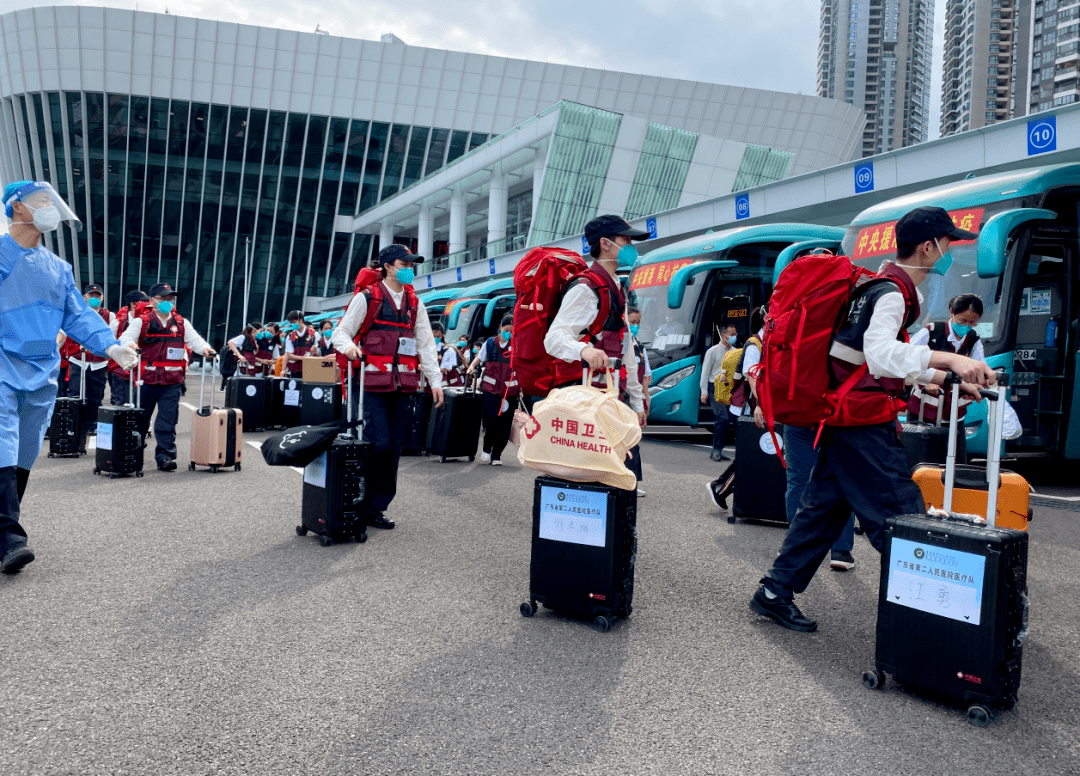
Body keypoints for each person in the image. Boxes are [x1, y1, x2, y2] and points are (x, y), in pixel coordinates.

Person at [751, 206, 997, 632]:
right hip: (861, 421)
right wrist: (950, 360)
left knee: (822, 512)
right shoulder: (891, 293)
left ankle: (774, 591)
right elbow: (881, 355)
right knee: (898, 513)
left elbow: (863, 356)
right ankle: (933, 619)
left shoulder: (876, 286)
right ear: (928, 247)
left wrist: (934, 376)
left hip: (845, 416)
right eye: (948, 244)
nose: (949, 252)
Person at [0, 179, 138, 573]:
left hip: (42, 372)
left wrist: (111, 346)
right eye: (42, 201)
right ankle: (11, 537)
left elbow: (77, 314)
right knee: (3, 448)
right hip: (3, 367)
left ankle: (5, 529)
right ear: (18, 207)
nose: (50, 208)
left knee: (24, 455)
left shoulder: (59, 269)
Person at [332, 244, 444, 530]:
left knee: (394, 447)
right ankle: (359, 500)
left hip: (402, 386)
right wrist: (350, 348)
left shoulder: (416, 304)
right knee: (377, 444)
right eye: (403, 264)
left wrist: (435, 381)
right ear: (387, 266)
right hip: (370, 384)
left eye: (411, 265)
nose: (409, 269)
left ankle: (376, 508)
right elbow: (340, 332)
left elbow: (426, 345)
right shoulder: (367, 297)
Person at [542, 214, 648, 429]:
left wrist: (637, 403)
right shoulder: (585, 289)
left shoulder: (617, 288)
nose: (630, 247)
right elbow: (553, 339)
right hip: (582, 400)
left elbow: (626, 347)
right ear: (605, 243)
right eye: (625, 240)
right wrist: (583, 351)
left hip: (610, 397)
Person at [120, 282, 216, 471]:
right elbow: (125, 338)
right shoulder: (143, 321)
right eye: (163, 298)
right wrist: (131, 346)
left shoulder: (180, 322)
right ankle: (133, 452)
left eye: (170, 299)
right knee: (140, 419)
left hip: (172, 381)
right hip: (146, 379)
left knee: (167, 420)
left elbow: (194, 340)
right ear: (152, 301)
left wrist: (205, 349)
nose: (167, 302)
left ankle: (165, 456)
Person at [908, 293, 1022, 438]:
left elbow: (979, 366)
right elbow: (907, 359)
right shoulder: (931, 331)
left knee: (955, 454)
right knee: (925, 455)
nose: (966, 326)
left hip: (955, 411)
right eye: (962, 321)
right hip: (924, 407)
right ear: (951, 312)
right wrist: (928, 381)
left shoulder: (973, 339)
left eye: (972, 323)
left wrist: (991, 382)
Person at [467, 314, 518, 465]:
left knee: (505, 423)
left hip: (509, 391)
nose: (508, 332)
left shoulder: (516, 344)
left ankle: (497, 455)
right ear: (500, 328)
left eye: (511, 330)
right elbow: (480, 358)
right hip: (490, 390)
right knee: (493, 418)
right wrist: (471, 366)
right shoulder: (490, 343)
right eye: (506, 329)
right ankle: (487, 447)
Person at [66, 283, 114, 436]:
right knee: (75, 394)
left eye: (97, 295)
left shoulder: (109, 316)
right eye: (91, 296)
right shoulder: (76, 313)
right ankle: (74, 425)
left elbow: (112, 336)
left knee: (96, 395)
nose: (94, 298)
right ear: (84, 297)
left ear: (102, 297)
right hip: (78, 360)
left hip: (98, 363)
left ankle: (93, 424)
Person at [622, 307, 652, 497]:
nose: (635, 326)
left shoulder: (640, 347)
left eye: (638, 323)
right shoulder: (620, 345)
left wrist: (646, 399)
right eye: (632, 322)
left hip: (636, 400)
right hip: (621, 398)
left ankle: (632, 482)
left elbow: (645, 378)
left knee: (634, 442)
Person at [107, 290, 150, 406]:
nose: (147, 304)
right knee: (121, 405)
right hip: (121, 370)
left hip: (143, 372)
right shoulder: (118, 323)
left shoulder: (148, 322)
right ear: (133, 303)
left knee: (140, 405)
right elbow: (109, 342)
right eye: (144, 301)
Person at [700, 323, 737, 461]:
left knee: (730, 419)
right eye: (731, 334)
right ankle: (716, 449)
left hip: (729, 388)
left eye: (735, 334)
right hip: (714, 387)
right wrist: (703, 392)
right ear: (723, 335)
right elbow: (705, 372)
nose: (734, 337)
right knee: (722, 418)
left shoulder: (735, 352)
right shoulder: (713, 351)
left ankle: (719, 450)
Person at [281, 310, 317, 377]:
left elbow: (318, 352)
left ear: (301, 320)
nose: (292, 324)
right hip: (295, 370)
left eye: (294, 322)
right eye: (291, 323)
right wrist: (302, 358)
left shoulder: (314, 334)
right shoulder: (290, 336)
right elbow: (289, 354)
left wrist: (315, 351)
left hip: (311, 369)